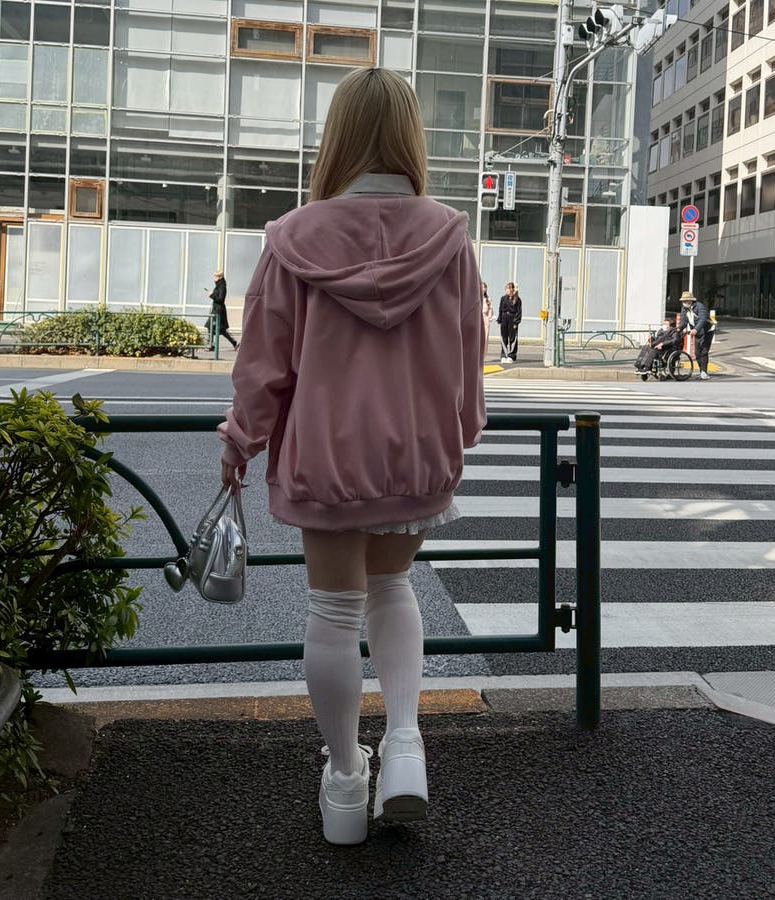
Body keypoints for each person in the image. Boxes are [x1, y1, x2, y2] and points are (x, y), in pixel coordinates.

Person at [216, 67, 486, 846]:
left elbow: (264, 365)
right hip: (417, 456)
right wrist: (462, 428)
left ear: (336, 138)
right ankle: (404, 744)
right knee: (394, 590)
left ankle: (343, 782)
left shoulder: (293, 239)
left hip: (327, 460)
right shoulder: (450, 238)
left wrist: (240, 440)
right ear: (409, 137)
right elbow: (467, 355)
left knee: (333, 613)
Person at [679, 290, 714, 380]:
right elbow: (683, 321)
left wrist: (695, 329)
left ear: (691, 300)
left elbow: (703, 319)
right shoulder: (684, 309)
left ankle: (704, 372)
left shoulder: (699, 306)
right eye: (683, 301)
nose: (684, 303)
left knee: (703, 351)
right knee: (697, 353)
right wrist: (679, 329)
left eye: (686, 301)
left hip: (706, 331)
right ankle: (701, 371)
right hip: (698, 332)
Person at [208, 270, 238, 351]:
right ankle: (212, 345)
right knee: (214, 327)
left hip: (219, 310)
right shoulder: (218, 285)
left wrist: (211, 295)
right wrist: (212, 294)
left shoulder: (222, 286)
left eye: (215, 276)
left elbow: (221, 299)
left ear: (219, 277)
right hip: (216, 309)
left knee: (215, 327)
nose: (214, 278)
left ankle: (212, 345)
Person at [497, 281, 522, 364]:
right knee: (504, 337)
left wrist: (516, 322)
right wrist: (499, 320)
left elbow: (519, 312)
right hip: (504, 318)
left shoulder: (517, 300)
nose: (507, 290)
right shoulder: (503, 298)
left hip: (512, 319)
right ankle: (504, 355)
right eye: (506, 288)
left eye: (508, 288)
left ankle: (511, 356)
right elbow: (500, 310)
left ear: (512, 289)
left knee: (512, 338)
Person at [481, 281, 494, 354]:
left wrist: (489, 318)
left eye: (484, 287)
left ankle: (483, 354)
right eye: (482, 287)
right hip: (477, 319)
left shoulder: (488, 299)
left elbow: (490, 309)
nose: (483, 289)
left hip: (485, 319)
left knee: (485, 338)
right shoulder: (475, 298)